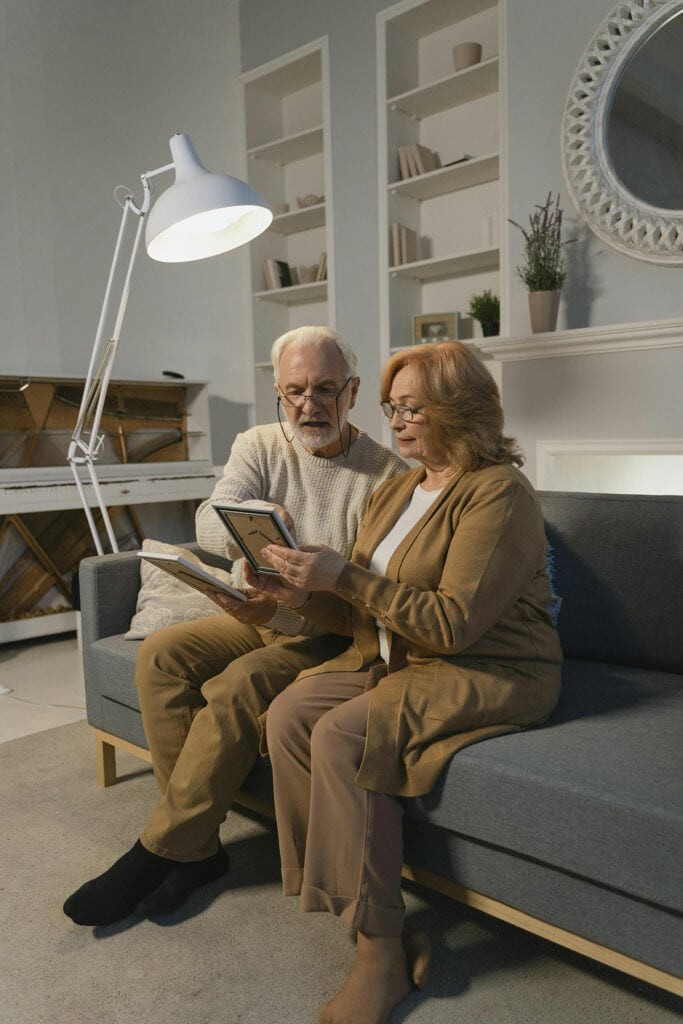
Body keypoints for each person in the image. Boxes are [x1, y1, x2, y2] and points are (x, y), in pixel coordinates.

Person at [253, 341, 563, 1024]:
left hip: (489, 668)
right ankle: (358, 911)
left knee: (342, 735)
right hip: (400, 658)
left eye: (412, 408)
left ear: (458, 407)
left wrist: (348, 575)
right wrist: (297, 590)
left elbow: (454, 625)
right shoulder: (399, 487)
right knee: (289, 714)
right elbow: (358, 606)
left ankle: (381, 955)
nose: (395, 423)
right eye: (391, 408)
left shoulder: (498, 493)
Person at [63, 326, 406, 927]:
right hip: (262, 612)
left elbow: (365, 599)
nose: (309, 405)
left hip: (329, 633)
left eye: (325, 389)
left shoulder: (387, 475)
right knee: (162, 657)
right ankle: (200, 850)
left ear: (352, 392)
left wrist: (304, 585)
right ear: (277, 391)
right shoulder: (258, 443)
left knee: (238, 684)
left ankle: (162, 850)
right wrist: (249, 532)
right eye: (294, 391)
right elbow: (208, 522)